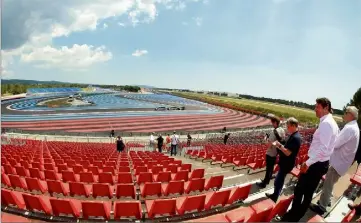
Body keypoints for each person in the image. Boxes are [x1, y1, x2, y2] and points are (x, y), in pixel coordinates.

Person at [281, 97, 339, 222]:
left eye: (317, 107)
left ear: (326, 108)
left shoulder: (327, 124)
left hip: (315, 164)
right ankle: (296, 215)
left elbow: (323, 148)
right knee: (306, 192)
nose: (315, 109)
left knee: (302, 191)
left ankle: (293, 216)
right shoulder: (330, 122)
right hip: (318, 162)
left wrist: (307, 162)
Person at [310, 106, 360, 215]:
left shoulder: (349, 128)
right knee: (331, 183)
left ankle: (322, 207)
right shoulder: (353, 127)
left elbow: (336, 144)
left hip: (338, 162)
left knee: (328, 184)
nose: (344, 114)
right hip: (342, 162)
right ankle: (326, 201)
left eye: (346, 112)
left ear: (351, 115)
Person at [265, 117, 301, 202]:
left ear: (293, 125)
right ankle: (275, 195)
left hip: (286, 164)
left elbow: (288, 152)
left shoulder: (296, 138)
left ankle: (274, 197)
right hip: (285, 163)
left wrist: (279, 145)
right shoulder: (294, 135)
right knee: (279, 181)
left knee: (278, 181)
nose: (287, 128)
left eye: (288, 126)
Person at [257, 115, 285, 188]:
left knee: (268, 169)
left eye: (272, 122)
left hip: (270, 153)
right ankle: (268, 180)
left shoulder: (274, 132)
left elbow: (269, 145)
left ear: (275, 122)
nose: (272, 124)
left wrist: (265, 139)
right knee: (271, 168)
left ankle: (264, 183)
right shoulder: (282, 130)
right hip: (276, 152)